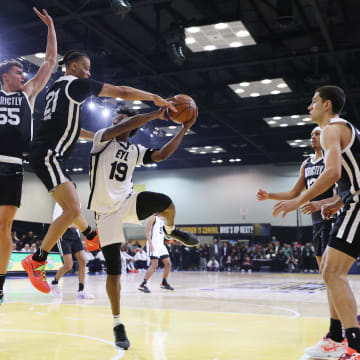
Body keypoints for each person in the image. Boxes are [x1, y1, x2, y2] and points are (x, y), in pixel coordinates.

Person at [20, 50, 176, 295]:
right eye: (85, 67)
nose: (88, 73)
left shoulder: (56, 88)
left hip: (48, 152)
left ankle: (91, 235)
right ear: (72, 67)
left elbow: (68, 126)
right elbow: (123, 91)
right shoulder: (77, 86)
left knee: (73, 204)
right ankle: (37, 260)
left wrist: (93, 136)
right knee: (71, 209)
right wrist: (153, 98)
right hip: (48, 154)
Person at [87, 106, 199, 349]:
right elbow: (121, 128)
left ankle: (170, 232)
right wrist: (155, 113)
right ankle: (118, 323)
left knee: (166, 203)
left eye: (122, 120)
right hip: (105, 213)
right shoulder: (102, 139)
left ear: (133, 128)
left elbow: (161, 156)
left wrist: (184, 129)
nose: (115, 122)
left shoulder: (135, 150)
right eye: (115, 119)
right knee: (114, 270)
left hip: (127, 201)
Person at [272, 85, 360, 359]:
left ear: (327, 105)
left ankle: (354, 346)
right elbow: (349, 175)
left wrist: (298, 201)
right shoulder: (344, 130)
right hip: (352, 203)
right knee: (330, 273)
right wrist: (335, 202)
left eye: (313, 101)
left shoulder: (331, 129)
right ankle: (336, 337)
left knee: (332, 273)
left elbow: (332, 172)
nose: (309, 107)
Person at [257, 126, 345, 358]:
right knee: (328, 279)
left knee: (334, 277)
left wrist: (321, 203)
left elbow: (345, 192)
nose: (314, 136)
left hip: (336, 219)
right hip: (317, 224)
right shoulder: (306, 164)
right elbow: (295, 193)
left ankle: (340, 330)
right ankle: (338, 329)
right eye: (312, 134)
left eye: (317, 133)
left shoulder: (333, 157)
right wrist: (269, 196)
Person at [0, 8, 57, 306]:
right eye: (20, 72)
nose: (25, 75)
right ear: (5, 76)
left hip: (12, 167)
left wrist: (50, 28)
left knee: (4, 227)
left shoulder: (28, 93)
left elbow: (49, 62)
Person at [50, 202, 94, 299]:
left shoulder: (77, 202)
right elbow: (57, 219)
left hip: (75, 234)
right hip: (63, 233)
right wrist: (75, 225)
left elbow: (78, 217)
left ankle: (81, 290)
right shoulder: (60, 200)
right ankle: (54, 283)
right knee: (68, 265)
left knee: (82, 261)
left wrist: (80, 229)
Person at [138, 215, 174, 293]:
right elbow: (147, 231)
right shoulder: (153, 217)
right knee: (154, 265)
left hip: (161, 244)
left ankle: (164, 282)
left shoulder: (165, 219)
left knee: (168, 263)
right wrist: (150, 243)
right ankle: (142, 285)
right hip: (153, 243)